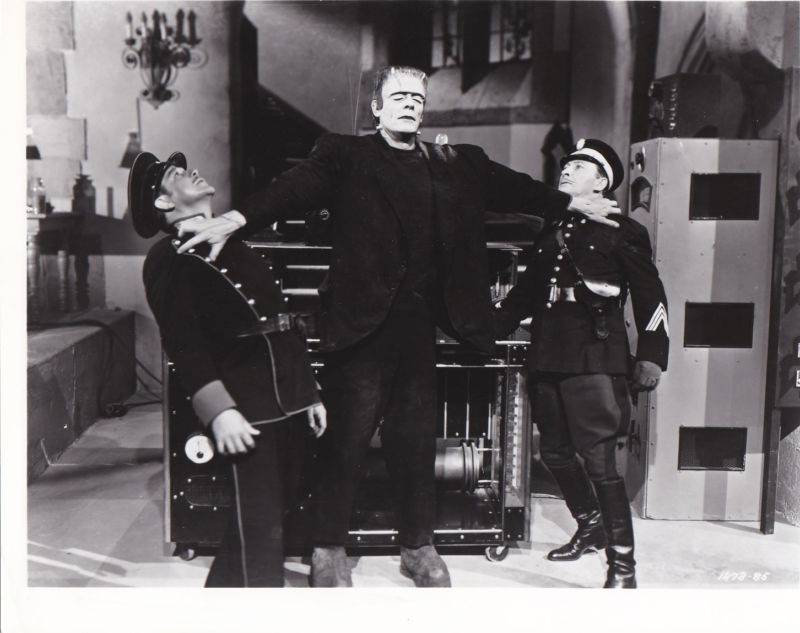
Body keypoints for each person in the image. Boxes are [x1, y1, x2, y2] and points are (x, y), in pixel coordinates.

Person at [177, 66, 621, 588]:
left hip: (419, 329)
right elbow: (291, 189)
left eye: (417, 97)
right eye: (400, 96)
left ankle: (418, 545)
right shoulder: (345, 154)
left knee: (415, 443)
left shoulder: (456, 161)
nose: (410, 104)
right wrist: (236, 219)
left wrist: (570, 200)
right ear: (377, 108)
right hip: (360, 329)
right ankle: (328, 546)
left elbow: (517, 189)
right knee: (345, 442)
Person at [128, 150, 327, 587]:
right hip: (244, 403)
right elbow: (183, 342)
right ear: (163, 202)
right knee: (258, 531)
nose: (194, 171)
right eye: (178, 174)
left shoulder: (234, 242)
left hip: (286, 398)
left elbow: (279, 322)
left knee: (268, 518)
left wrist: (308, 392)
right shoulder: (168, 257)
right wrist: (218, 411)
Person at [493, 138, 669, 588]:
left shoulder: (623, 230)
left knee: (600, 462)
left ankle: (623, 568)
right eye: (567, 164)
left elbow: (651, 296)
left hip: (595, 355)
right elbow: (524, 296)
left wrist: (652, 356)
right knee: (553, 452)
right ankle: (590, 525)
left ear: (602, 181)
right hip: (548, 354)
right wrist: (480, 328)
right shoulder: (552, 229)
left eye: (579, 166)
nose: (567, 170)